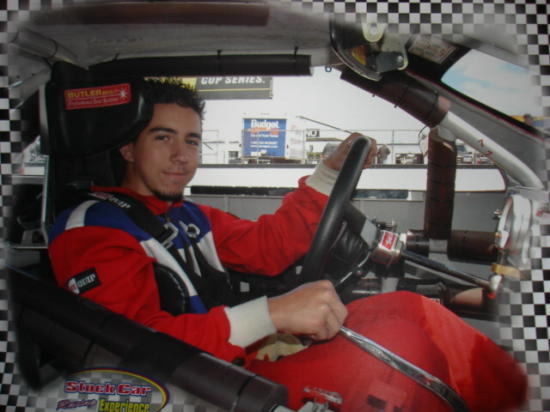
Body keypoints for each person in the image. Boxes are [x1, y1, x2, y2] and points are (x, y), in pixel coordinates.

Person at [49, 80, 526, 411]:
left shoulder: (187, 214)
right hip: (202, 385)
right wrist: (270, 316)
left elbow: (268, 247)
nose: (181, 156)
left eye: (192, 141)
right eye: (163, 138)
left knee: (412, 309)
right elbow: (126, 351)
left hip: (235, 357)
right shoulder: (93, 229)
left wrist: (328, 173)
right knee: (400, 355)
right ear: (128, 148)